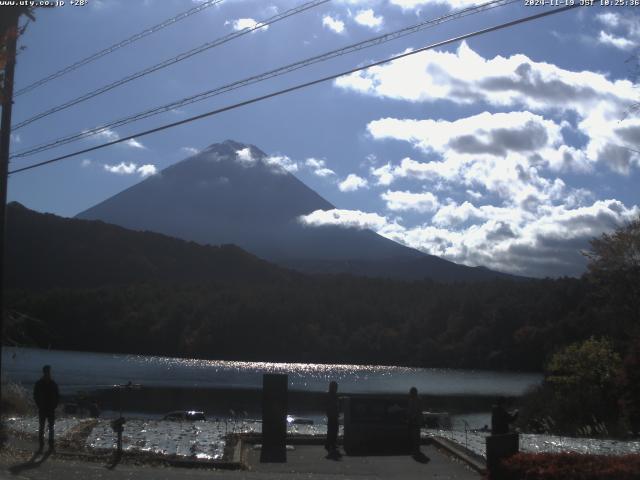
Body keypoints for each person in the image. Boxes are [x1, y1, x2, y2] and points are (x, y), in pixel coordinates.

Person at [33, 365, 59, 452]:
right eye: (47, 371)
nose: (48, 373)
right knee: (43, 427)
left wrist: (54, 405)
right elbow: (35, 396)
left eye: (49, 372)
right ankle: (42, 446)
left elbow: (57, 396)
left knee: (50, 427)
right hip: (43, 408)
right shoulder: (40, 383)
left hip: (50, 408)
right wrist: (39, 405)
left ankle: (50, 446)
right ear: (45, 372)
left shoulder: (52, 383)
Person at [325, 381, 339, 456]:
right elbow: (332, 405)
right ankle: (331, 444)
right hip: (332, 415)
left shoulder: (330, 395)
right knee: (333, 430)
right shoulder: (332, 395)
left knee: (332, 430)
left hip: (332, 414)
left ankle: (330, 444)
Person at [407, 387, 421, 455]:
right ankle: (415, 449)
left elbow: (416, 410)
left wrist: (412, 418)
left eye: (411, 392)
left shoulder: (416, 400)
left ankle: (416, 449)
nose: (410, 393)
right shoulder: (412, 399)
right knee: (414, 435)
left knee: (415, 435)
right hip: (413, 419)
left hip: (415, 420)